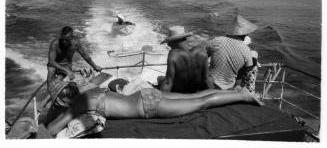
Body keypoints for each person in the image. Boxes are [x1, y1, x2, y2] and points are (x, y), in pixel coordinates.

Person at [46, 80, 263, 137]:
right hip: (145, 95)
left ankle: (241, 95)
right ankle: (236, 91)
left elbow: (53, 128)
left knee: (200, 103)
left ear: (64, 99)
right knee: (195, 97)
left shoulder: (77, 105)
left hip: (147, 105)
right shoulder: (89, 92)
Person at [206, 15, 259, 93]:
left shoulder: (216, 41)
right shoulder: (246, 50)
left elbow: (202, 56)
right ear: (244, 35)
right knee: (253, 56)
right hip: (229, 89)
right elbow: (248, 71)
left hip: (209, 84)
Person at [159, 26, 210, 93]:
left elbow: (168, 83)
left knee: (159, 78)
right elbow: (206, 79)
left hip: (179, 93)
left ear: (174, 41)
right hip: (195, 90)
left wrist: (160, 99)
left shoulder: (174, 55)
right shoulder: (201, 52)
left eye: (169, 42)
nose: (168, 45)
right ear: (185, 38)